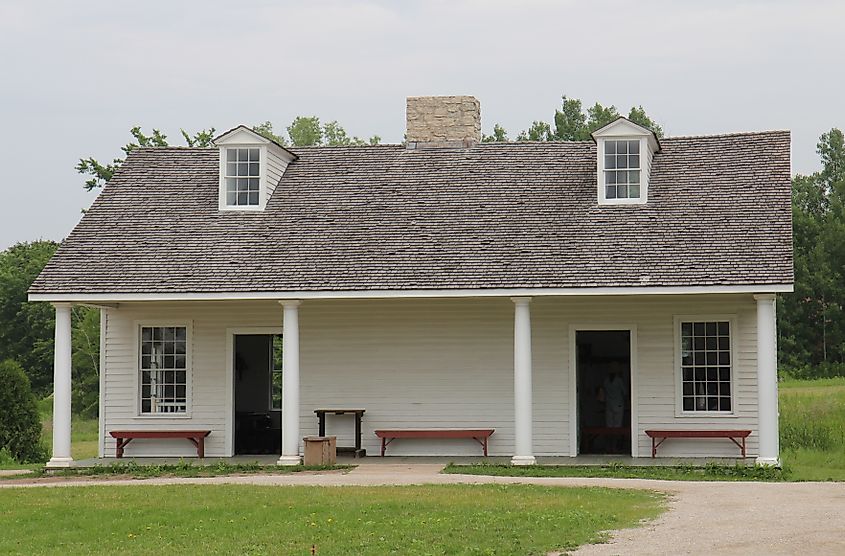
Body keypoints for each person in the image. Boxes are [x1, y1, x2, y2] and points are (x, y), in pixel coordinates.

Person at [603, 362, 628, 429]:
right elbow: (625, 392)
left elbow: (604, 390)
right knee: (618, 423)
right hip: (618, 403)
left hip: (609, 403)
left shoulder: (606, 380)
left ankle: (610, 438)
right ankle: (617, 438)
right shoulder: (619, 380)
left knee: (609, 423)